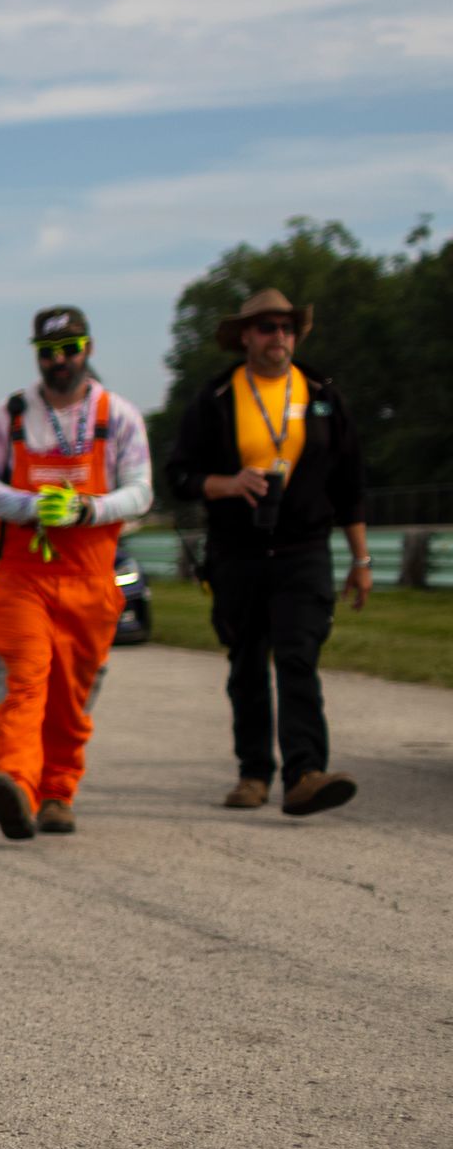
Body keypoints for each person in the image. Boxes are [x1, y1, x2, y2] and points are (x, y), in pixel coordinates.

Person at [164, 287, 369, 816]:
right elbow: (180, 477)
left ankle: (305, 773)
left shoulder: (323, 392)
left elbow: (349, 484)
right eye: (266, 328)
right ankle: (254, 772)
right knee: (247, 663)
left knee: (299, 657)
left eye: (286, 327)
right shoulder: (216, 398)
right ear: (245, 338)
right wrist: (229, 484)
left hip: (305, 548)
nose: (278, 336)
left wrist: (361, 561)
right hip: (238, 551)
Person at [0, 307, 152, 838]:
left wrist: (87, 509)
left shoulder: (119, 417)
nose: (60, 360)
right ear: (36, 355)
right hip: (22, 577)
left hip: (91, 581)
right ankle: (14, 784)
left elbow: (141, 491)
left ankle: (56, 794)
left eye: (71, 348)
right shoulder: (11, 414)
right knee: (23, 682)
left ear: (88, 349)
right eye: (49, 351)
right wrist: (28, 504)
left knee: (72, 697)